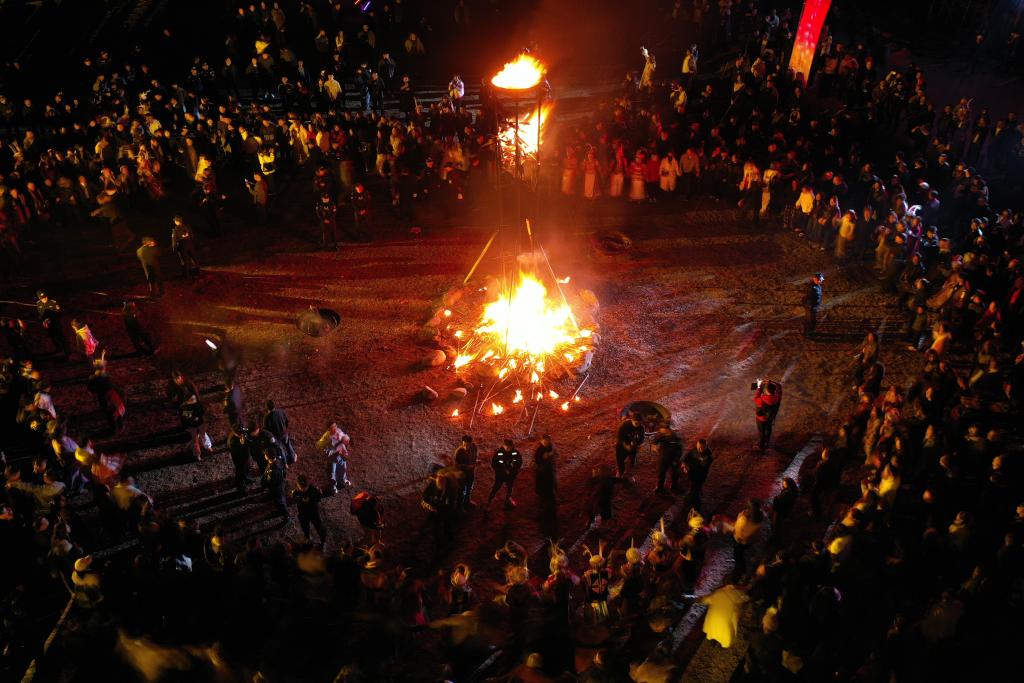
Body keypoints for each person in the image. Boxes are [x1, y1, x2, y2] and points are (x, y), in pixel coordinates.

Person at [167, 370, 212, 461]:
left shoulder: (188, 384)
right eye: (176, 378)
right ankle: (197, 453)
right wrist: (175, 402)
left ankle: (208, 446)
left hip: (197, 416)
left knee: (202, 432)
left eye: (179, 377)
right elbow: (173, 401)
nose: (178, 380)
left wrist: (198, 410)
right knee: (194, 436)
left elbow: (197, 398)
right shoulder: (172, 388)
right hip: (189, 418)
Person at [291, 474, 326, 549]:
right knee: (306, 528)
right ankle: (309, 539)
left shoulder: (298, 493)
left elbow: (319, 497)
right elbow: (319, 497)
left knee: (318, 528)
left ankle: (322, 542)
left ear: (298, 485)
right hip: (305, 514)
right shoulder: (312, 489)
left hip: (310, 513)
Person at [487, 438, 522, 510]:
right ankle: (489, 502)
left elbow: (519, 462)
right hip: (500, 476)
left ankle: (508, 501)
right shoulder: (498, 453)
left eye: (509, 446)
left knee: (510, 488)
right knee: (496, 488)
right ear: (503, 445)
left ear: (512, 446)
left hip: (511, 476)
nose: (507, 448)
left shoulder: (516, 453)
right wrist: (503, 470)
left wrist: (514, 469)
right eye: (506, 446)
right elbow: (494, 464)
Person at [318, 422, 351, 493]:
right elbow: (325, 451)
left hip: (340, 456)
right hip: (332, 459)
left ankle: (343, 480)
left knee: (343, 468)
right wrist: (336, 451)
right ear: (329, 429)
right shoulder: (326, 438)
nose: (335, 428)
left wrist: (346, 439)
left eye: (335, 426)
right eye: (332, 427)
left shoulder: (338, 431)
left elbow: (345, 437)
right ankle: (332, 487)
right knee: (332, 473)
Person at [36, 290, 69, 359]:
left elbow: (58, 313)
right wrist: (43, 321)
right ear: (39, 298)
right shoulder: (38, 304)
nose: (44, 299)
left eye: (45, 297)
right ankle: (58, 348)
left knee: (61, 337)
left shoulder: (53, 302)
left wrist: (57, 310)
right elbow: (40, 314)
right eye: (42, 298)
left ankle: (67, 351)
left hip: (55, 324)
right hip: (48, 325)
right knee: (53, 337)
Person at [682, 438, 713, 510]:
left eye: (701, 447)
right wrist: (684, 464)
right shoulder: (694, 450)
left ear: (706, 446)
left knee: (694, 492)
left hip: (699, 477)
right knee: (694, 489)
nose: (699, 449)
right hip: (691, 474)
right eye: (698, 447)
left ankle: (695, 506)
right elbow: (686, 457)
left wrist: (688, 469)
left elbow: (701, 469)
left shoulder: (708, 457)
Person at [653, 423, 683, 494]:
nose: (660, 431)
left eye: (661, 430)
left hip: (673, 458)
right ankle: (660, 487)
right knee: (661, 473)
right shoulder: (660, 434)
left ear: (667, 429)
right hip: (663, 458)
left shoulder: (675, 436)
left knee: (675, 473)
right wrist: (655, 447)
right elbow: (654, 442)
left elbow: (679, 449)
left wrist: (676, 459)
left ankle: (674, 486)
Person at [263, 400, 296, 465]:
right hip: (284, 433)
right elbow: (286, 422)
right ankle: (293, 457)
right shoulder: (281, 412)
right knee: (288, 445)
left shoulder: (267, 418)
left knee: (281, 450)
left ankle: (285, 463)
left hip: (277, 437)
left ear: (267, 408)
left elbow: (267, 431)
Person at [754, 379, 782, 452]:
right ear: (774, 391)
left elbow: (756, 397)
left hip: (761, 418)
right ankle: (767, 443)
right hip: (770, 418)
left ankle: (761, 446)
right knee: (768, 429)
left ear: (766, 391)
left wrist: (759, 387)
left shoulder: (761, 400)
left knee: (761, 432)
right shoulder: (777, 398)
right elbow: (779, 387)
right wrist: (772, 382)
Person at [261, 448, 290, 522]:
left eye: (265, 454)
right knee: (277, 502)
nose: (264, 455)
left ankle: (287, 517)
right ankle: (280, 511)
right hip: (277, 487)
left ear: (267, 457)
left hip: (277, 489)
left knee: (280, 502)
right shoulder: (277, 460)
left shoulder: (273, 470)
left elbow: (271, 482)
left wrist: (265, 484)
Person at [615, 412, 644, 478]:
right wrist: (625, 445)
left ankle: (629, 473)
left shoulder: (641, 428)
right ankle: (620, 472)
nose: (638, 425)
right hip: (621, 446)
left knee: (632, 461)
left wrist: (638, 444)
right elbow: (619, 437)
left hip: (633, 446)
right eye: (636, 423)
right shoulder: (624, 425)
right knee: (620, 459)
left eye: (639, 423)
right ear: (632, 420)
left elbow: (642, 438)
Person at [533, 434, 558, 512]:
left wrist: (550, 455)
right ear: (541, 441)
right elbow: (536, 460)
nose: (545, 442)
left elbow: (556, 455)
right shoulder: (539, 449)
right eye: (544, 441)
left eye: (547, 441)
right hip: (542, 472)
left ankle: (550, 500)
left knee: (550, 485)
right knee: (542, 486)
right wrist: (541, 460)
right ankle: (543, 500)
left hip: (549, 471)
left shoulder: (551, 447)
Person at [453, 435, 478, 510]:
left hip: (471, 472)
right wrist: (467, 467)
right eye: (464, 444)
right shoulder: (459, 452)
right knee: (461, 490)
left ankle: (467, 502)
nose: (466, 447)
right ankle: (459, 506)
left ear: (471, 443)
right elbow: (457, 465)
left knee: (469, 488)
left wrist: (475, 463)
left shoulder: (474, 447)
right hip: (462, 474)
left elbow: (475, 456)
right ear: (462, 443)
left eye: (468, 445)